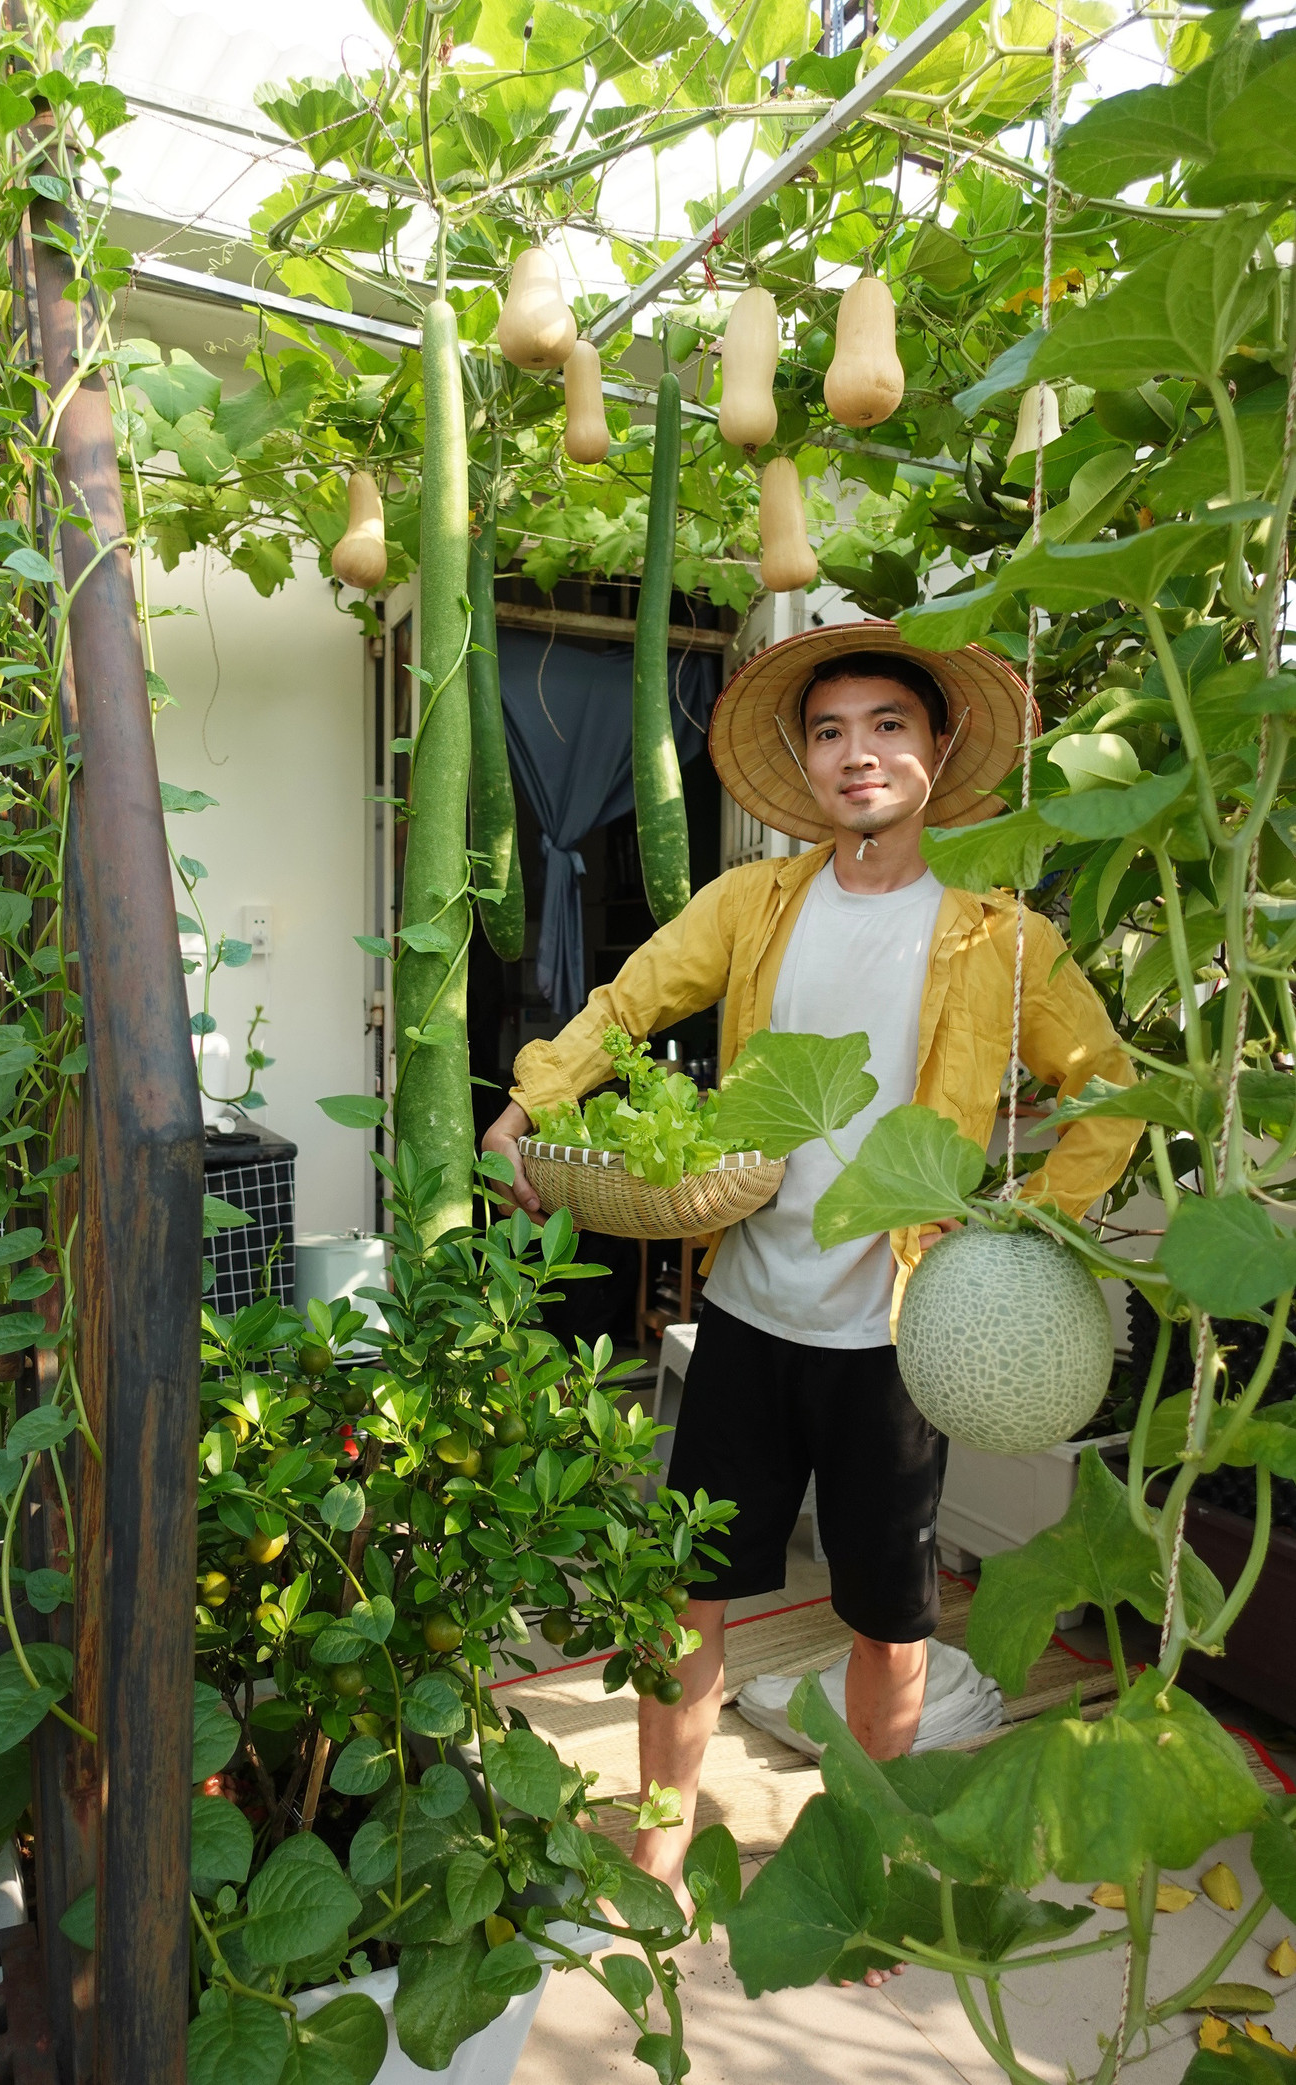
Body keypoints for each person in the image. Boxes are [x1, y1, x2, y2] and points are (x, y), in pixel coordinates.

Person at [482, 622, 1139, 1946]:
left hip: (894, 1335)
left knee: (885, 1621)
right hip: (745, 1314)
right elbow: (624, 1002)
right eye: (829, 731)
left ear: (935, 750)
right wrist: (532, 1100)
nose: (857, 754)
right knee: (685, 1591)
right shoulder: (755, 905)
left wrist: (1014, 1228)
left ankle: (857, 1877)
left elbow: (1108, 1091)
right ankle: (657, 1857)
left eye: (886, 725)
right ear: (805, 757)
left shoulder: (996, 934)